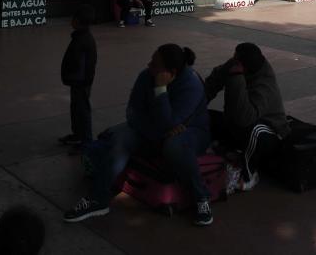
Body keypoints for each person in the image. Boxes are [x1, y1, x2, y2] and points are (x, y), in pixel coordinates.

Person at [64, 44, 213, 226]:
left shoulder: (191, 85)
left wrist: (160, 90)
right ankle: (98, 199)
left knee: (174, 146)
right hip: (155, 131)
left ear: (171, 73)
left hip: (192, 134)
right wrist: (156, 132)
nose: (149, 65)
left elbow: (170, 121)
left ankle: (201, 198)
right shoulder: (145, 76)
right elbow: (133, 112)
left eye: (155, 64)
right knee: (120, 139)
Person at [204, 43, 290, 192]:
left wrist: (236, 78)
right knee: (207, 117)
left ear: (244, 67)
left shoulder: (264, 85)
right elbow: (214, 80)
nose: (232, 59)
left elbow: (244, 118)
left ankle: (249, 174)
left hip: (269, 131)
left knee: (255, 132)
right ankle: (229, 150)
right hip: (239, 125)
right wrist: (194, 106)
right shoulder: (235, 65)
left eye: (236, 59)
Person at [59, 5, 98, 146]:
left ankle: (86, 140)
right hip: (80, 81)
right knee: (77, 108)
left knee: (82, 109)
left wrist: (72, 77)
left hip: (80, 82)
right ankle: (78, 135)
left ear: (77, 21)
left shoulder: (82, 40)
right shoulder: (82, 37)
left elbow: (79, 64)